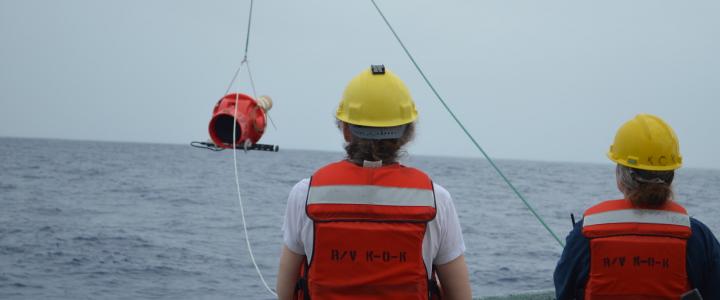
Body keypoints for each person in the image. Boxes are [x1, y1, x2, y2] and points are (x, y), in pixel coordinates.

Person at [276, 65, 472, 300]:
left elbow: (285, 293)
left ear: (346, 130)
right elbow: (460, 295)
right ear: (406, 134)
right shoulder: (436, 199)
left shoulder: (305, 195)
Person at [554, 114, 720, 299]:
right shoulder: (699, 238)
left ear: (620, 176)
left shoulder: (584, 234)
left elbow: (564, 292)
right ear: (671, 176)